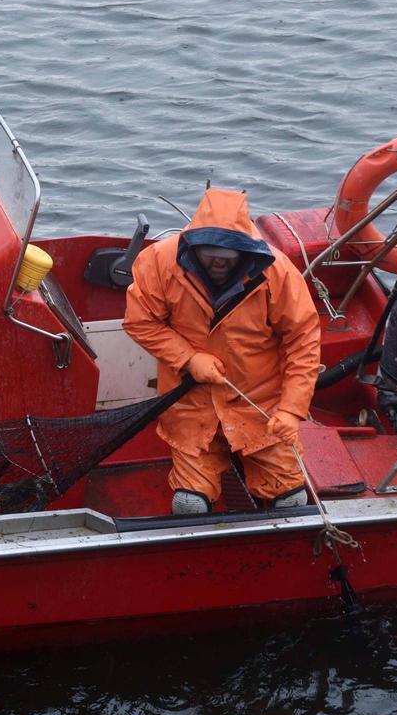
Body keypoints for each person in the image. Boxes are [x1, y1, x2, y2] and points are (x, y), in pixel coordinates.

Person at [123, 188, 320, 514]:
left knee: (292, 499)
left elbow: (303, 341)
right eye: (209, 251)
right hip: (190, 405)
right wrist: (188, 358)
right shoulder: (158, 261)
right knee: (189, 504)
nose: (217, 260)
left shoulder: (279, 272)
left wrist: (291, 410)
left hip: (259, 405)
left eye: (227, 254)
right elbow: (140, 321)